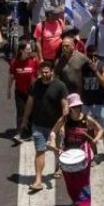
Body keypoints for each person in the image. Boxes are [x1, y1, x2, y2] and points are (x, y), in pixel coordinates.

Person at [50, 93, 104, 206]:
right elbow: (53, 131)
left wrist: (96, 139)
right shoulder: (65, 119)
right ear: (70, 108)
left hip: (83, 155)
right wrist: (52, 142)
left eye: (79, 106)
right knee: (71, 184)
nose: (78, 109)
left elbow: (100, 129)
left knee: (83, 183)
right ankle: (78, 202)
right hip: (68, 155)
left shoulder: (86, 119)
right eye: (74, 107)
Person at [21, 60, 69, 194]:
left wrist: (64, 123)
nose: (44, 74)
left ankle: (59, 166)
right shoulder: (35, 84)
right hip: (38, 125)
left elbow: (65, 106)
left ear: (52, 72)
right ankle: (38, 180)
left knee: (57, 149)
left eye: (46, 72)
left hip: (56, 126)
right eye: (41, 72)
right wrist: (25, 120)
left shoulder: (60, 86)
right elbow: (30, 103)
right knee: (40, 151)